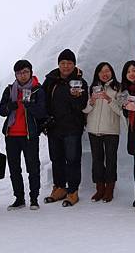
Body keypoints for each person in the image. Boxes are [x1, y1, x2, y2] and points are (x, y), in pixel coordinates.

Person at [0, 60, 48, 210]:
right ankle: (19, 198)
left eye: (25, 72)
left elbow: (42, 112)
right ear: (15, 75)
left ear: (31, 72)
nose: (22, 75)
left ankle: (34, 198)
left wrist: (30, 106)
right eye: (19, 73)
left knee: (33, 166)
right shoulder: (10, 89)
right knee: (14, 168)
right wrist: (9, 107)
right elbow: (1, 110)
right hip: (11, 134)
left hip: (29, 135)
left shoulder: (37, 90)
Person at [42, 49, 88, 207]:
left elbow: (83, 106)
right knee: (57, 159)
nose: (66, 66)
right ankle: (60, 187)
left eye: (69, 63)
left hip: (72, 128)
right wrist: (45, 120)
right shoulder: (50, 81)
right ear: (58, 64)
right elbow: (43, 101)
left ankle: (73, 191)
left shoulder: (80, 82)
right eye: (63, 63)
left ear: (74, 65)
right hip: (54, 127)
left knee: (73, 160)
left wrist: (76, 97)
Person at [83, 62, 122, 203]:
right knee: (97, 160)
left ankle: (109, 189)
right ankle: (99, 188)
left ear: (112, 72)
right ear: (97, 74)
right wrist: (92, 101)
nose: (105, 74)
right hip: (94, 130)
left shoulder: (119, 88)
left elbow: (121, 111)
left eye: (107, 71)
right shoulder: (92, 88)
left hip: (111, 130)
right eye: (101, 72)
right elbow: (85, 111)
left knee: (111, 160)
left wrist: (109, 99)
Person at [120, 60, 135, 208]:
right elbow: (125, 113)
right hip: (134, 131)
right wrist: (126, 106)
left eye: (134, 70)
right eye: (128, 71)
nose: (132, 74)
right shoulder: (124, 91)